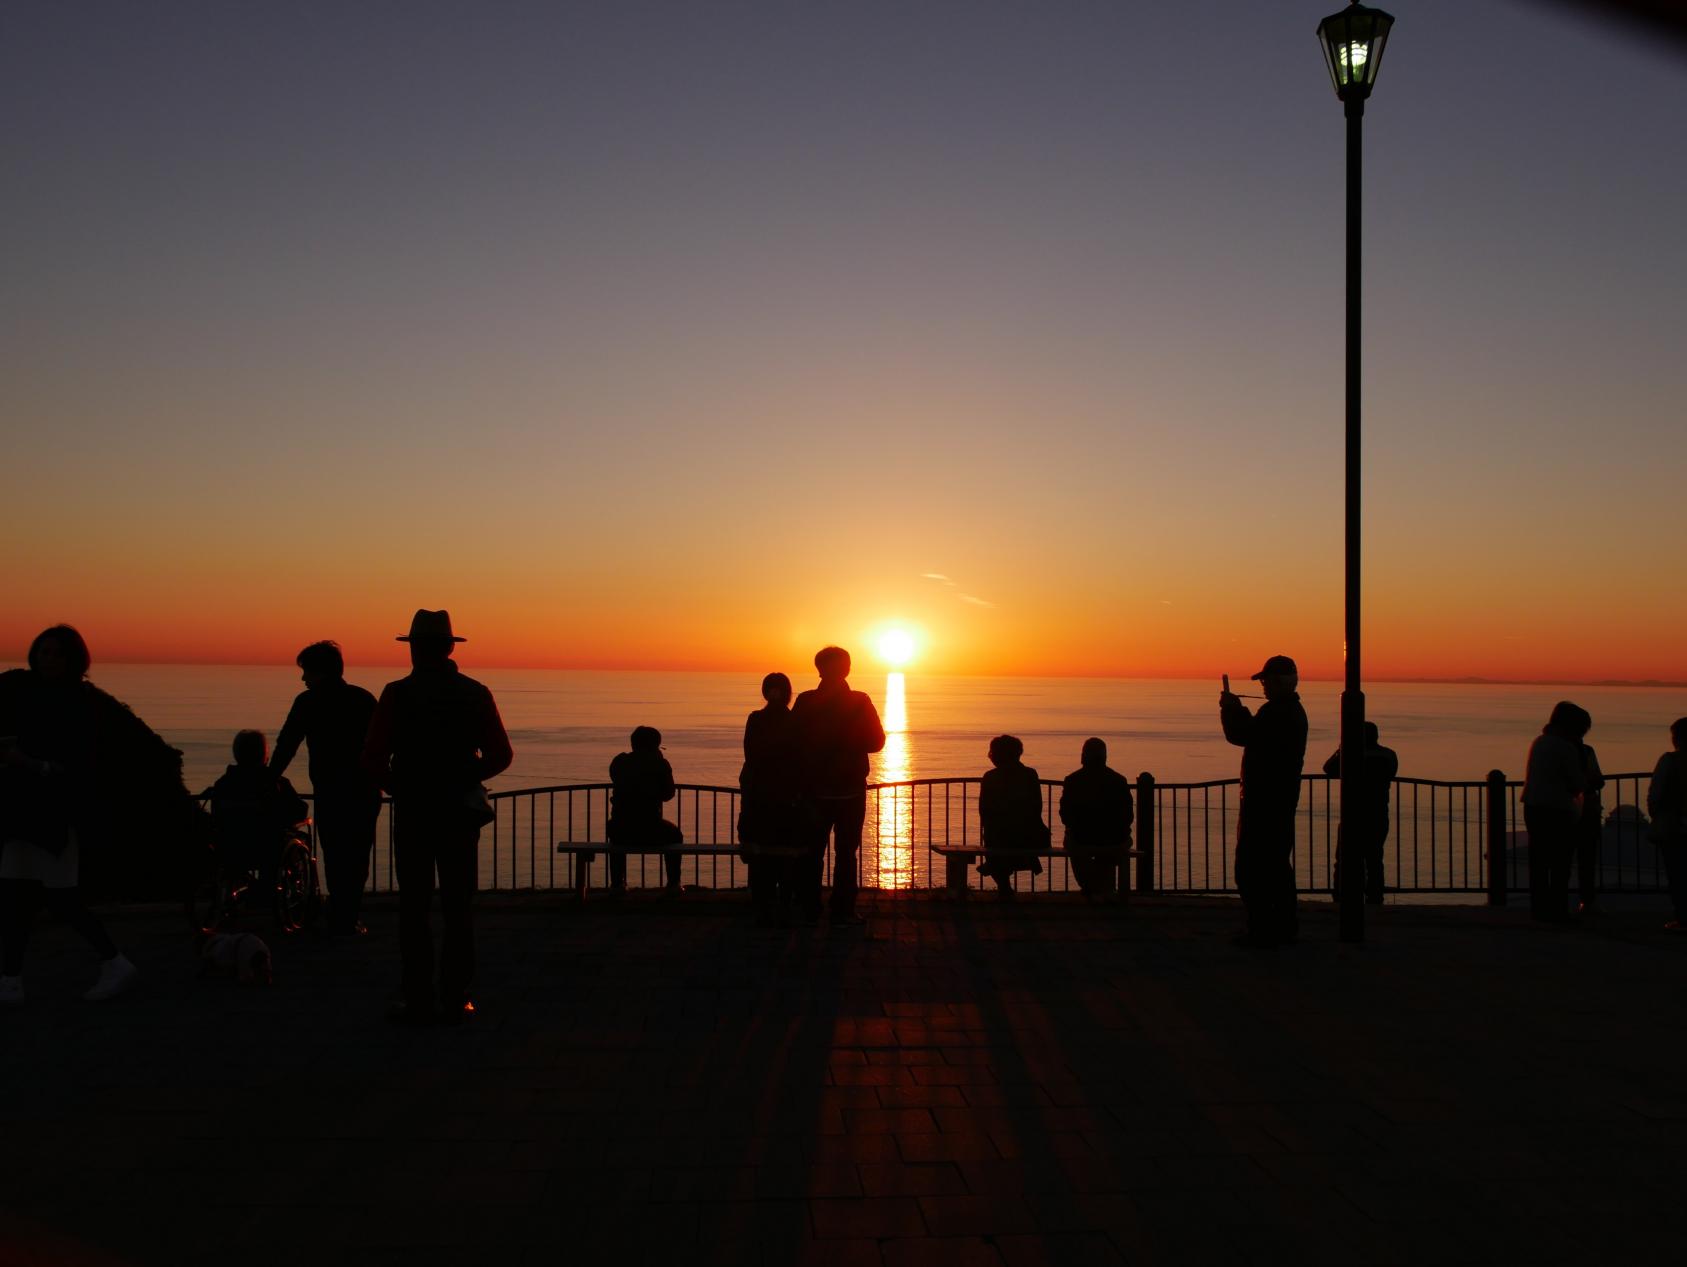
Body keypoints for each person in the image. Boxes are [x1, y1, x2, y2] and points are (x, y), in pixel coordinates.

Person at [362, 610, 512, 1025]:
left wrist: (401, 787)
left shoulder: (396, 694)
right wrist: (465, 775)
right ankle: (456, 995)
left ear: (415, 648)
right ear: (449, 648)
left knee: (413, 906)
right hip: (459, 813)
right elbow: (501, 755)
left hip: (413, 812)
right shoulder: (475, 693)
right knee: (457, 906)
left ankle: (417, 996)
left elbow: (373, 758)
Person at [0, 626, 139, 1005]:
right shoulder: (28, 695)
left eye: (55, 653)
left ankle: (114, 961)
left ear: (71, 659)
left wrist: (26, 762)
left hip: (56, 817)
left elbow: (78, 766)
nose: (47, 658)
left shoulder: (80, 704)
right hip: (20, 814)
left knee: (62, 900)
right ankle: (10, 980)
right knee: (15, 898)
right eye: (42, 651)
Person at [270, 640, 381, 936]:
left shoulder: (307, 703)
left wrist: (269, 778)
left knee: (335, 854)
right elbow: (384, 745)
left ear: (320, 672)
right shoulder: (363, 699)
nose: (303, 678)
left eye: (306, 671)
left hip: (331, 792)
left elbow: (286, 745)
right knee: (357, 856)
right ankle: (348, 917)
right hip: (365, 791)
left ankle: (339, 917)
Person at [791, 646, 885, 927]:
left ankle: (809, 907)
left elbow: (793, 742)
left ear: (818, 669)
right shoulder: (859, 701)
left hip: (814, 791)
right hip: (850, 791)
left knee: (812, 851)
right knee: (846, 853)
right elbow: (877, 742)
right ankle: (842, 910)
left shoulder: (807, 701)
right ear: (847, 669)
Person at [1220, 655, 1309, 948]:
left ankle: (1264, 928)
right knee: (1274, 867)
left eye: (1266, 681)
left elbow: (1244, 735)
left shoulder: (1278, 713)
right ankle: (1278, 927)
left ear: (1282, 682)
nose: (1263, 686)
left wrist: (1232, 710)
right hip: (1276, 801)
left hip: (1265, 802)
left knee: (1252, 868)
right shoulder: (1288, 712)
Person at [205, 730, 309, 901]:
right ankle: (283, 892)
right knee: (297, 839)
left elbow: (217, 814)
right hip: (267, 847)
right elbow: (298, 810)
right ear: (264, 755)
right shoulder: (276, 783)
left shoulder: (224, 784)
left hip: (231, 846)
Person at [739, 673, 802, 926]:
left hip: (758, 794)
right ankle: (785, 902)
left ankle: (761, 903)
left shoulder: (755, 719)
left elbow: (750, 753)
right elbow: (800, 757)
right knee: (785, 850)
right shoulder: (795, 721)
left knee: (759, 849)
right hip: (786, 796)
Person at [1521, 701, 1588, 924]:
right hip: (1558, 810)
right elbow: (1576, 782)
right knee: (1560, 863)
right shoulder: (1565, 747)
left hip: (1533, 805)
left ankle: (1539, 910)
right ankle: (1558, 911)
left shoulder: (1540, 742)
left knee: (1539, 862)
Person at [1322, 721, 1398, 905]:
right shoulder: (1388, 755)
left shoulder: (1350, 755)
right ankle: (1375, 897)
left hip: (1352, 814)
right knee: (1374, 860)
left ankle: (1341, 896)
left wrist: (1341, 749)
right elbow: (1392, 773)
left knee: (1343, 860)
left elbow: (1328, 769)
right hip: (1378, 813)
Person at [607, 726, 683, 893]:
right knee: (675, 835)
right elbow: (668, 794)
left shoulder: (620, 761)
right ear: (655, 745)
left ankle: (617, 883)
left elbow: (614, 776)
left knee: (616, 840)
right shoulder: (660, 764)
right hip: (650, 828)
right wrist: (659, 763)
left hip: (620, 827)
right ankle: (673, 883)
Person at [1059, 737, 1133, 900]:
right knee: (1120, 844)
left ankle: (1089, 885)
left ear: (1083, 756)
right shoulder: (1118, 780)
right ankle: (1102, 886)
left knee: (1073, 844)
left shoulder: (1072, 780)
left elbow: (1065, 815)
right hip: (1113, 838)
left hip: (1081, 837)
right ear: (1105, 756)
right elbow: (1128, 816)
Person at [979, 734, 1048, 897]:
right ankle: (1000, 878)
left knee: (994, 840)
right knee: (1002, 840)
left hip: (1000, 837)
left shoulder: (990, 777)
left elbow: (984, 811)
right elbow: (1037, 806)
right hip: (1028, 836)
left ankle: (1003, 884)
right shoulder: (1030, 774)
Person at [1645, 717, 1687, 932]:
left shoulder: (1670, 761)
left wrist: (1656, 815)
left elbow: (1656, 793)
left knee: (1678, 873)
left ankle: (1683, 918)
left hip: (1675, 826)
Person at [1572, 706, 1604, 915]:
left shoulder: (1548, 747)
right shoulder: (1586, 751)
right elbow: (1598, 780)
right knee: (1587, 857)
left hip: (1570, 810)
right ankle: (1586, 900)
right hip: (1586, 810)